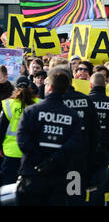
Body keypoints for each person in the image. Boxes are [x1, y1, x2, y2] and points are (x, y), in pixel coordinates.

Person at [15, 67, 82, 206]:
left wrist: (38, 159)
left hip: (32, 175)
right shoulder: (73, 116)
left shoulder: (31, 111)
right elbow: (74, 145)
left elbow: (22, 139)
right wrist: (53, 160)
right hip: (59, 176)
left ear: (50, 87)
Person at [62, 66, 101, 205]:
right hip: (80, 157)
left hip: (58, 161)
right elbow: (95, 131)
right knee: (75, 196)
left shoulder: (54, 103)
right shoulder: (86, 100)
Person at [88, 72, 109, 206]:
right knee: (98, 186)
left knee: (78, 185)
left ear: (90, 85)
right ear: (105, 85)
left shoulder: (85, 102)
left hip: (87, 149)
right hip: (106, 149)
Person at [0, 76, 39, 185]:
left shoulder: (8, 104)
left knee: (8, 187)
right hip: (31, 152)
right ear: (30, 88)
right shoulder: (39, 103)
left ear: (15, 88)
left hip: (10, 152)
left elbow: (1, 129)